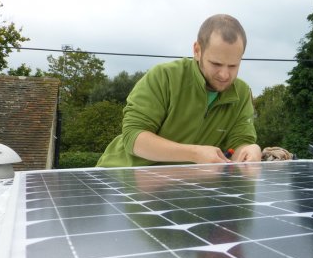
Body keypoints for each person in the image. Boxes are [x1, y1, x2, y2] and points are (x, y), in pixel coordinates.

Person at [97, 14, 262, 167]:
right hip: (122, 175)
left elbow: (238, 145)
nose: (225, 74)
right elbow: (134, 138)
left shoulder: (241, 93)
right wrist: (194, 153)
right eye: (216, 64)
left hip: (184, 185)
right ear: (197, 51)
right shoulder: (163, 77)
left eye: (233, 65)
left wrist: (249, 150)